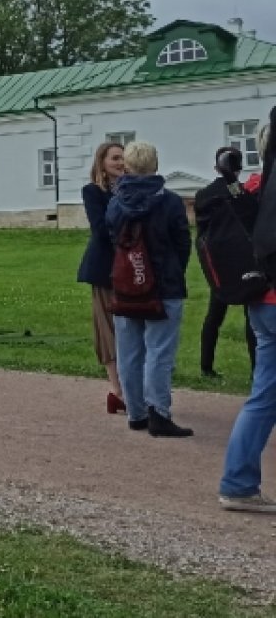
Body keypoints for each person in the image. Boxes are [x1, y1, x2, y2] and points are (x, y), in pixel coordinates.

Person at [106, 141, 193, 437]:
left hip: (125, 286)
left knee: (128, 351)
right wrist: (173, 271)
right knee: (159, 351)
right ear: (155, 166)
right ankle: (159, 412)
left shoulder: (116, 202)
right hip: (164, 286)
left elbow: (111, 239)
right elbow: (183, 243)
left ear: (127, 167)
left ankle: (136, 413)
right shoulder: (169, 202)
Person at [221, 122, 276, 511]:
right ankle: (238, 482)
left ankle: (239, 482)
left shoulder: (257, 186)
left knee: (263, 396)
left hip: (262, 294)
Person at [195, 146, 258, 378]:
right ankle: (255, 369)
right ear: (239, 167)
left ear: (216, 166)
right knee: (250, 316)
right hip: (243, 258)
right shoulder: (242, 193)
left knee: (214, 315)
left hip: (218, 260)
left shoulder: (204, 194)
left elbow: (200, 232)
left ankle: (206, 365)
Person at [77, 141, 128, 414]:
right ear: (102, 163)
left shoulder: (133, 188)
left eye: (123, 158)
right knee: (107, 328)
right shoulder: (93, 192)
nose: (120, 163)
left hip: (132, 268)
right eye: (115, 158)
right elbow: (100, 229)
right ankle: (117, 389)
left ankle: (132, 387)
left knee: (132, 326)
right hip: (105, 267)